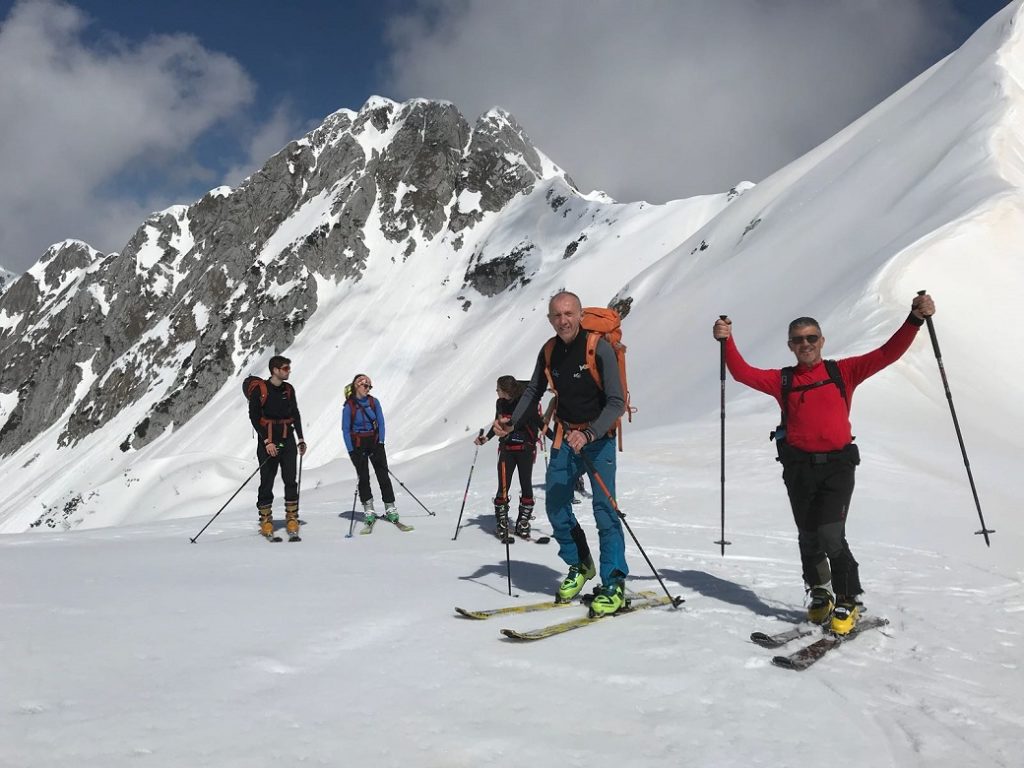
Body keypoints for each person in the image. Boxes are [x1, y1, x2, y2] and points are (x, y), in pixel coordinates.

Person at [712, 293, 936, 634]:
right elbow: (742, 373)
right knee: (808, 535)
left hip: (838, 466)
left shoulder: (843, 371)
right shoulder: (783, 380)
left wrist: (914, 320)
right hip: (798, 468)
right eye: (799, 340)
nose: (806, 344)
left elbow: (887, 354)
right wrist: (726, 342)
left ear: (822, 341)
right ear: (790, 345)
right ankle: (820, 594)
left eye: (811, 338)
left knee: (831, 534)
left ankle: (848, 600)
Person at [495, 291, 628, 616]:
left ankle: (614, 584)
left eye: (569, 313)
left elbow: (617, 402)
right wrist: (510, 423)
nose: (563, 320)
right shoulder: (550, 351)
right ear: (550, 320)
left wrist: (590, 432)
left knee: (604, 511)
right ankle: (580, 564)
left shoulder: (599, 348)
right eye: (557, 315)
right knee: (556, 506)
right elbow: (534, 390)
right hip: (565, 437)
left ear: (580, 314)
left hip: (599, 438)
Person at [474, 376, 543, 541]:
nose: (496, 392)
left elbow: (539, 423)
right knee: (503, 486)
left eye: (498, 389)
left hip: (525, 449)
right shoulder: (500, 403)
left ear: (505, 391)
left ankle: (522, 522)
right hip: (506, 449)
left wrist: (558, 440)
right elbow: (497, 423)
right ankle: (502, 523)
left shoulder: (526, 402)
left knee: (526, 484)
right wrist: (486, 438)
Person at [248, 355, 307, 540]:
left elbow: (295, 413)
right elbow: (254, 417)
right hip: (269, 439)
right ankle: (265, 520)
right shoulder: (261, 390)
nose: (288, 371)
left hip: (286, 438)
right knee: (267, 479)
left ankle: (292, 517)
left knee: (290, 479)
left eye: (288, 368)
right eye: (285, 368)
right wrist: (267, 441)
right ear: (275, 370)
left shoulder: (288, 389)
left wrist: (301, 438)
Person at [343, 374, 398, 524]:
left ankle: (390, 507)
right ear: (357, 386)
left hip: (374, 441)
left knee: (383, 474)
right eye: (365, 386)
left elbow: (381, 422)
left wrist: (381, 441)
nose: (368, 389)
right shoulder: (349, 406)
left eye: (369, 386)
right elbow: (345, 430)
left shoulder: (374, 402)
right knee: (364, 477)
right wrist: (351, 451)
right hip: (358, 444)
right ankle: (369, 509)